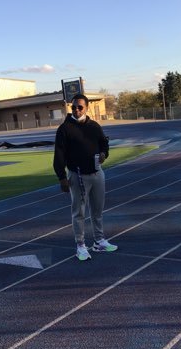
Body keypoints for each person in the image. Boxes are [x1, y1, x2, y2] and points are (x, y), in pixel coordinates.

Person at [53, 94, 118, 261]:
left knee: (97, 210)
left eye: (80, 107)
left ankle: (99, 241)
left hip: (97, 174)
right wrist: (62, 177)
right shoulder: (64, 129)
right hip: (77, 175)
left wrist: (104, 153)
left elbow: (104, 143)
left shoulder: (94, 126)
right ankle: (80, 245)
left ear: (86, 108)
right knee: (79, 212)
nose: (76, 110)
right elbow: (59, 155)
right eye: (73, 107)